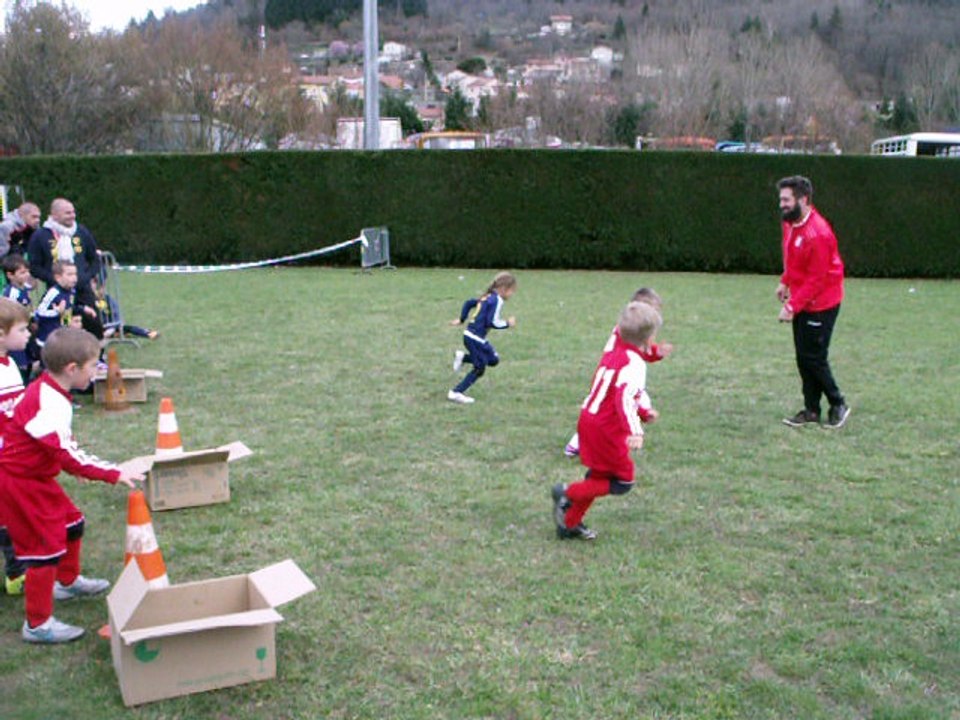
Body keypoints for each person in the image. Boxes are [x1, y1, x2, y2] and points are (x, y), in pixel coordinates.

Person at [0, 327, 143, 643]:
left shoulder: (51, 391)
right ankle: (37, 625)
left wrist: (82, 466)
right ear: (72, 369)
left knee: (72, 524)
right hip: (20, 484)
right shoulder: (48, 401)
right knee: (44, 550)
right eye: (93, 366)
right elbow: (67, 454)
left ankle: (67, 581)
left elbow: (58, 447)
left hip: (35, 478)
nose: (97, 371)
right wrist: (114, 472)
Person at [552, 301, 662, 541]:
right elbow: (624, 398)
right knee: (623, 481)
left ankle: (570, 523)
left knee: (599, 477)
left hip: (589, 419)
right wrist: (636, 430)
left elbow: (618, 392)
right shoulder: (634, 363)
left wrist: (644, 412)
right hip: (605, 427)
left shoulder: (614, 348)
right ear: (649, 338)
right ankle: (567, 493)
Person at [775, 175, 850, 429]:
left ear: (803, 200)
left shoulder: (818, 234)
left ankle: (838, 403)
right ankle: (811, 410)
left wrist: (791, 306)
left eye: (786, 200)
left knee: (814, 358)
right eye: (781, 199)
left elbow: (817, 279)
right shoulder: (790, 223)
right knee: (803, 357)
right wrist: (785, 281)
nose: (782, 205)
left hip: (822, 304)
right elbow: (793, 259)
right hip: (804, 300)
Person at [564, 287, 673, 457]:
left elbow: (641, 351)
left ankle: (601, 439)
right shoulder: (626, 331)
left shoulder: (633, 329)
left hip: (614, 373)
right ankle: (587, 442)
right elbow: (633, 352)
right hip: (613, 374)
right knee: (605, 407)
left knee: (603, 408)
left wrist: (656, 353)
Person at [27, 198, 104, 339]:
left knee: (94, 326)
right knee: (63, 330)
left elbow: (94, 259)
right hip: (58, 293)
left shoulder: (81, 231)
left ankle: (96, 351)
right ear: (54, 214)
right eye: (67, 213)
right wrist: (54, 279)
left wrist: (86, 276)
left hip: (83, 290)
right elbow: (34, 266)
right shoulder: (41, 235)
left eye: (73, 212)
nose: (72, 215)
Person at [0, 298, 32, 595]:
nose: (28, 335)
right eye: (21, 329)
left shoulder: (10, 364)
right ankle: (16, 573)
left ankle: (17, 570)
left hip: (13, 458)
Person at [447, 271, 517, 404]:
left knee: (493, 360)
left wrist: (462, 319)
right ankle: (456, 392)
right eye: (512, 291)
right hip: (475, 338)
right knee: (480, 368)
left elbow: (469, 303)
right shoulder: (497, 300)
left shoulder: (487, 297)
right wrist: (507, 323)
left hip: (470, 336)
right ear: (503, 288)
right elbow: (492, 322)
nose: (512, 294)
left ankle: (463, 357)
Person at [34, 261, 88, 354]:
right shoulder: (53, 293)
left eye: (75, 274)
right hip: (47, 340)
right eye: (70, 274)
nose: (74, 278)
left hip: (62, 337)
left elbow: (68, 309)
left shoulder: (72, 291)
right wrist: (56, 312)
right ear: (58, 277)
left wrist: (82, 309)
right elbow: (39, 312)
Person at [2, 254, 36, 381]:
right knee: (20, 363)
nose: (27, 275)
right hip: (15, 332)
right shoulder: (12, 294)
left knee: (29, 360)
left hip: (25, 329)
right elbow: (10, 315)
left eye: (27, 271)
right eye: (22, 272)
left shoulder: (24, 289)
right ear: (10, 275)